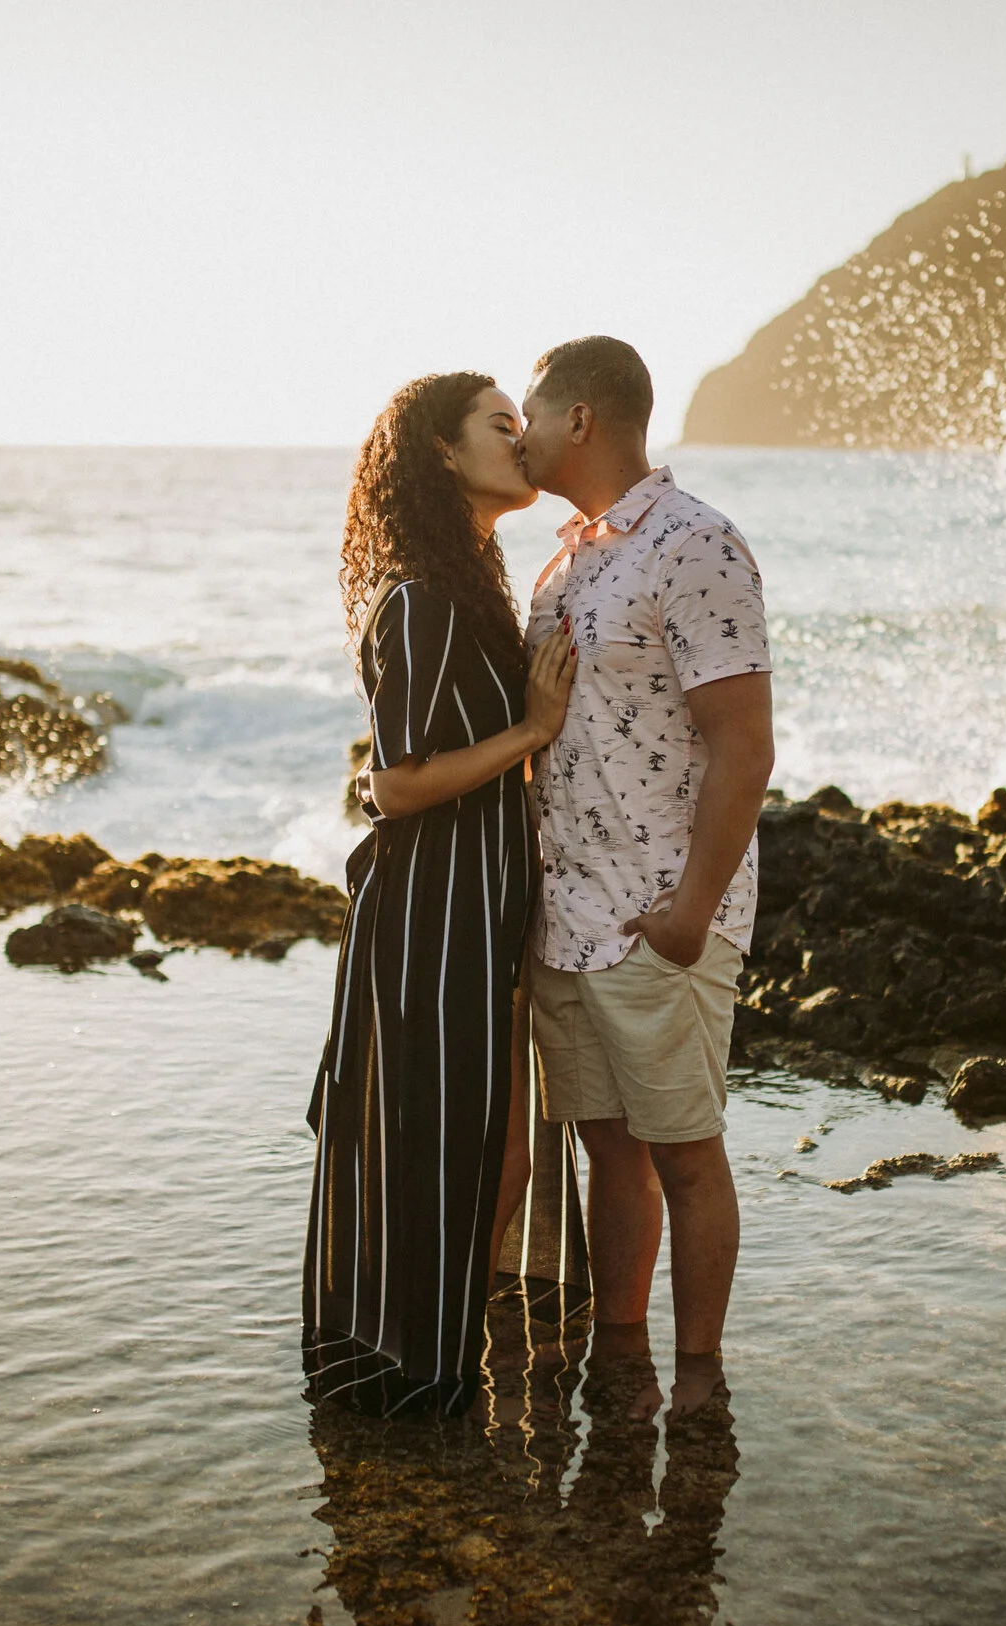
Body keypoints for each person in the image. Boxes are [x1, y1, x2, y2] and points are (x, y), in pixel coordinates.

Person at [304, 370, 584, 1416]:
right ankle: (409, 1372)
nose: (521, 440)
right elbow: (396, 781)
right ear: (439, 453)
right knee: (436, 1146)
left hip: (484, 901)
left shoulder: (469, 580)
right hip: (431, 915)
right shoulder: (418, 598)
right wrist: (531, 732)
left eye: (524, 423)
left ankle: (444, 1357)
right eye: (498, 426)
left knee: (490, 1146)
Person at [514, 337, 775, 1421]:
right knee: (604, 1150)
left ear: (578, 417)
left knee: (684, 1153)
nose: (517, 435)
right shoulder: (561, 563)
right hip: (567, 917)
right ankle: (623, 1359)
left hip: (655, 912)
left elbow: (743, 745)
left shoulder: (695, 542)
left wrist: (686, 917)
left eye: (527, 413)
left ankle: (700, 1381)